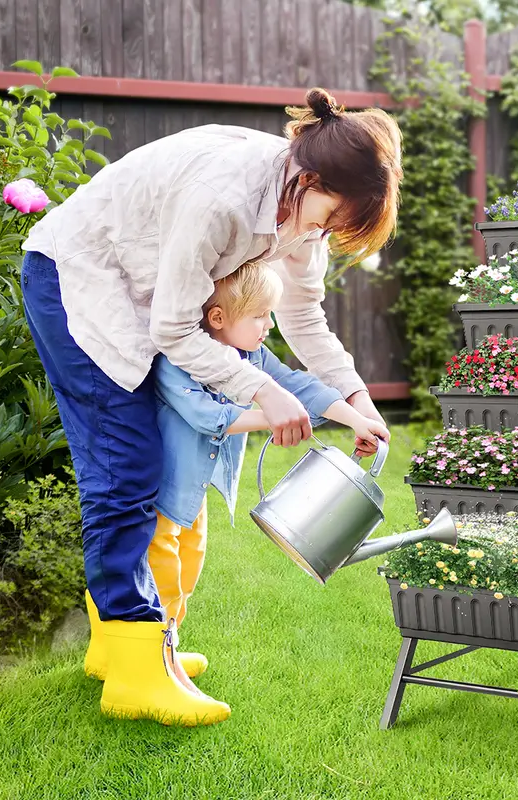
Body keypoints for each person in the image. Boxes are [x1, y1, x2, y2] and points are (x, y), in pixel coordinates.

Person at [20, 88, 402, 725]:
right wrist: (266, 390)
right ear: (309, 177)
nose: (327, 233)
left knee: (137, 469)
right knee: (127, 469)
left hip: (140, 295)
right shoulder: (226, 196)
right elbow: (175, 328)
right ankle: (137, 669)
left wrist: (356, 398)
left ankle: (119, 649)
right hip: (77, 282)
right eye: (333, 216)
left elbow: (303, 314)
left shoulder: (300, 211)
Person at [83, 259, 388, 723]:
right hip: (159, 488)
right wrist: (276, 416)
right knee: (161, 573)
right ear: (218, 319)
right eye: (260, 316)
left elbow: (295, 385)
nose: (268, 326)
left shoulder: (253, 360)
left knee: (188, 570)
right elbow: (209, 418)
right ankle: (147, 663)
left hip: (194, 490)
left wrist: (355, 418)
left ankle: (147, 649)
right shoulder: (175, 359)